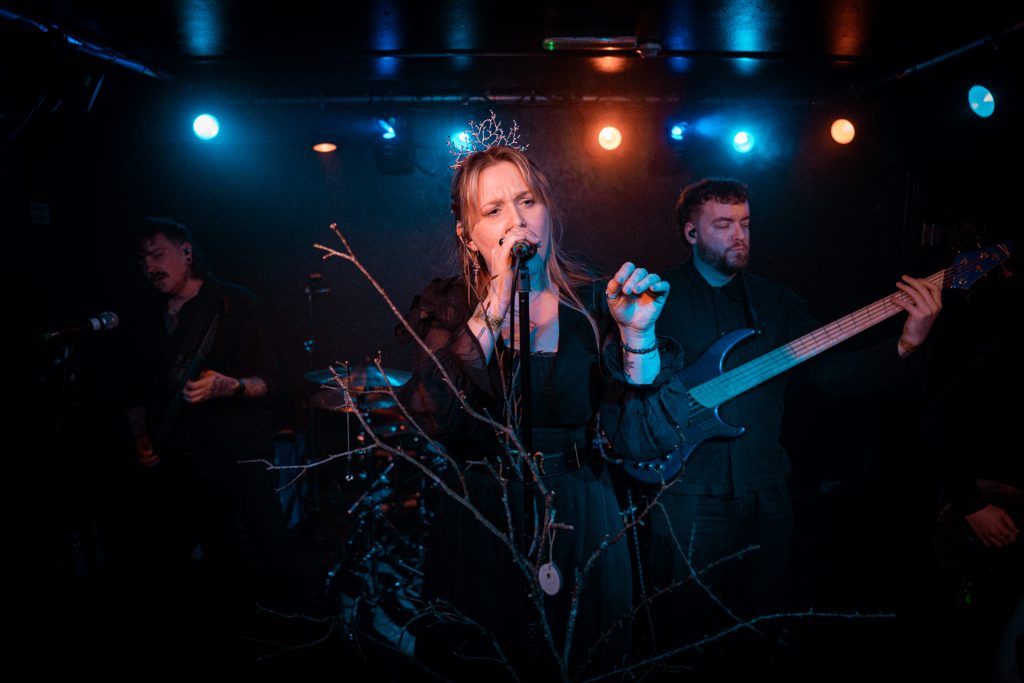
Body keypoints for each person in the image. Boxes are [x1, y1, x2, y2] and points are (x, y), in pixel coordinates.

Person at [398, 139, 689, 681]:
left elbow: (645, 442)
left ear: (548, 210)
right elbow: (436, 417)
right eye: (494, 210)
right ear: (468, 235)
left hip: (581, 511)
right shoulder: (450, 309)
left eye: (527, 201)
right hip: (485, 513)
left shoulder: (596, 305)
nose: (517, 220)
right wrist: (498, 294)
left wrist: (638, 337)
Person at [643, 178, 943, 670]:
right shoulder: (655, 301)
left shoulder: (779, 304)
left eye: (745, 224)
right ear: (691, 233)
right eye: (723, 225)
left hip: (766, 494)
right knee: (681, 636)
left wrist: (907, 344)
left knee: (760, 633)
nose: (740, 235)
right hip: (685, 493)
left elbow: (835, 377)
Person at [116, 216, 297, 661]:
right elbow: (136, 391)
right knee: (215, 565)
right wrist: (141, 436)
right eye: (142, 260)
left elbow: (276, 380)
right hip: (183, 464)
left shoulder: (233, 304)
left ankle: (296, 642)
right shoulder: (145, 318)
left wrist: (230, 386)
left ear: (187, 252)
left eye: (158, 255)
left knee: (268, 550)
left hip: (241, 458)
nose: (150, 267)